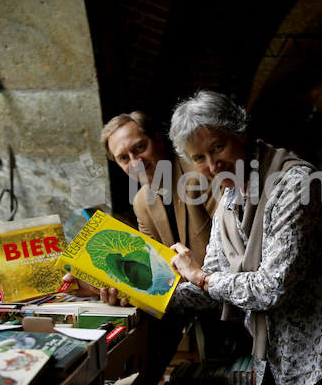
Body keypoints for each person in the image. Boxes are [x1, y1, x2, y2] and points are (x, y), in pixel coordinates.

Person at [165, 90, 322, 385]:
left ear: (239, 132)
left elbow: (273, 286)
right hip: (280, 352)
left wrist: (201, 277)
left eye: (218, 146)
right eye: (199, 157)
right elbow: (213, 280)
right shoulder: (228, 201)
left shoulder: (296, 185)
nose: (213, 165)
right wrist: (140, 293)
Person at [67, 111, 220, 385]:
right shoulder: (141, 202)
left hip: (228, 304)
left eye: (140, 148)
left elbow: (230, 256)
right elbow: (153, 270)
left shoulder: (200, 174)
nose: (135, 162)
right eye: (124, 158)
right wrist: (95, 281)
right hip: (188, 307)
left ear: (159, 141)